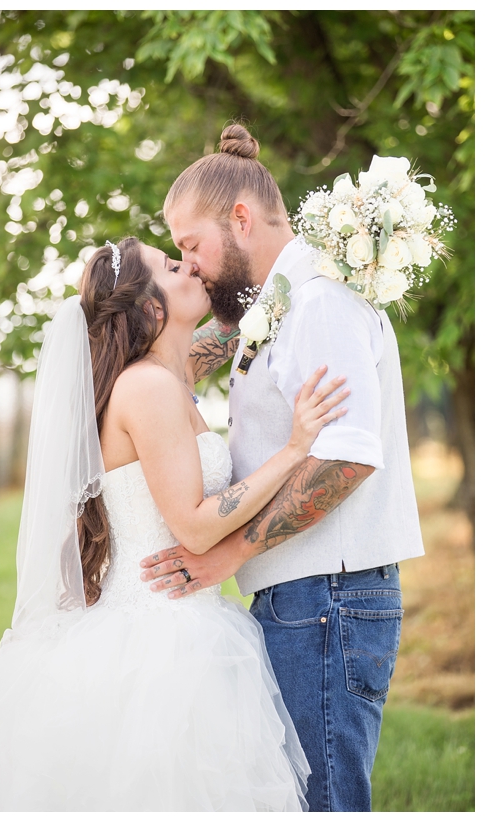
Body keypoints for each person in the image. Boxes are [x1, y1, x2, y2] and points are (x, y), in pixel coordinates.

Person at [0, 236, 349, 811]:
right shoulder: (149, 388)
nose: (192, 269)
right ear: (153, 308)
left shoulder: (166, 379)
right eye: (173, 266)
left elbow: (230, 336)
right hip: (160, 636)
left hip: (173, 616)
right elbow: (196, 528)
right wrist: (294, 449)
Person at [141, 124, 425, 812]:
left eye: (191, 246)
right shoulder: (278, 302)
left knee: (320, 800)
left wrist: (226, 554)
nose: (191, 266)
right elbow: (185, 357)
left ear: (240, 220)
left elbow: (349, 458)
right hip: (305, 600)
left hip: (328, 602)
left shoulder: (320, 302)